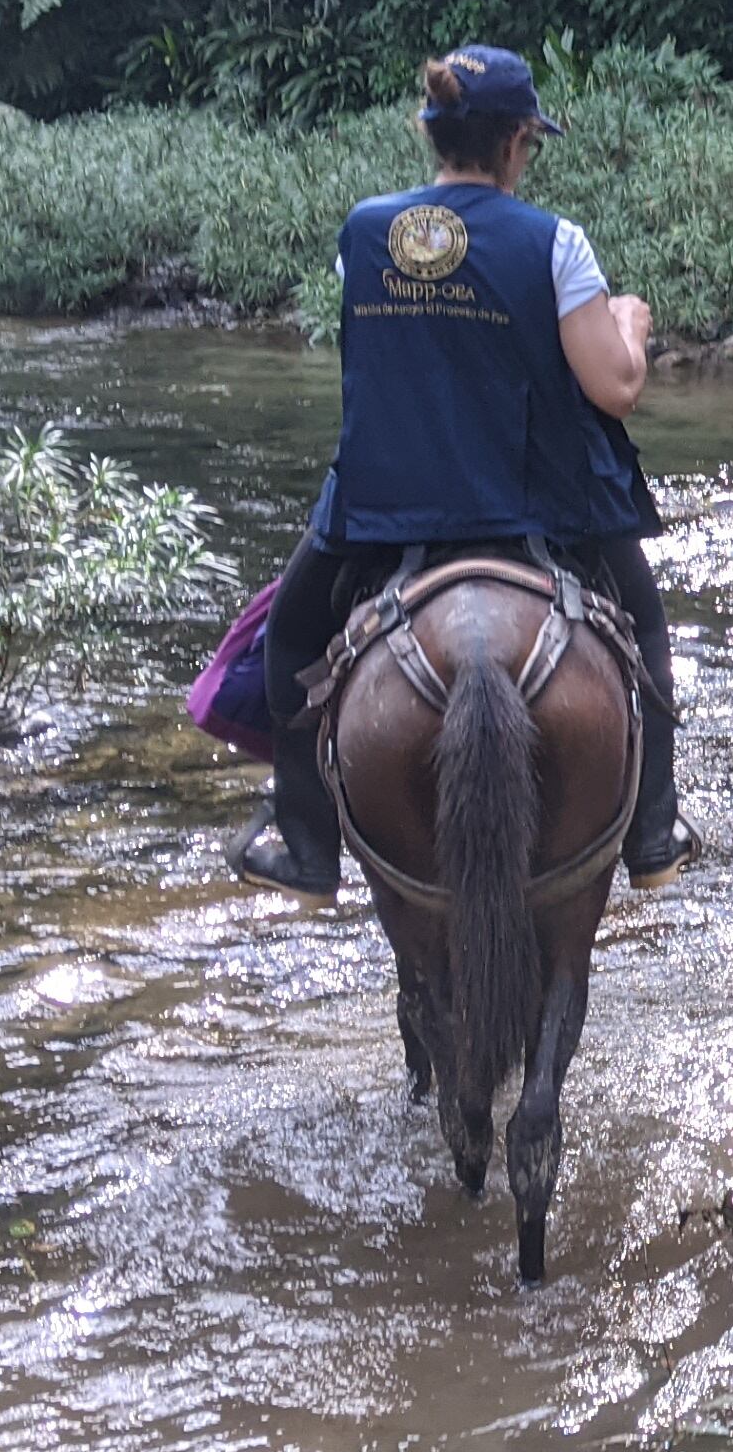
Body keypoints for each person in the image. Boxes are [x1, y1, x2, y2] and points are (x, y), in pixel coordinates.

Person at [228, 44, 695, 897]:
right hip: (538, 510)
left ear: (432, 133)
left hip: (383, 507)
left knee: (292, 632)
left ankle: (304, 845)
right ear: (518, 142)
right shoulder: (556, 243)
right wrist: (628, 321)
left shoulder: (365, 232)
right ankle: (654, 833)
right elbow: (615, 388)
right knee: (648, 628)